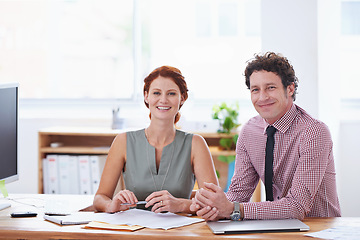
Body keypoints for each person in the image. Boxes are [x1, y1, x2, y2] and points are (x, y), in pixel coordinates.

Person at [190, 52, 341, 221]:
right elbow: (239, 192)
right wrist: (215, 207)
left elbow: (297, 207)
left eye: (270, 87)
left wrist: (233, 208)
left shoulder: (314, 132)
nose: (262, 97)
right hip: (273, 228)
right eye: (255, 90)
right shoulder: (250, 131)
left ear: (290, 89)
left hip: (319, 229)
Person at [93, 65, 219, 214]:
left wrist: (181, 205)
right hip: (134, 231)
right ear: (146, 96)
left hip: (179, 233)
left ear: (182, 98)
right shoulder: (123, 141)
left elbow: (214, 202)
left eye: (171, 93)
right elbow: (100, 197)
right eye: (156, 93)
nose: (163, 100)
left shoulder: (196, 144)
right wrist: (110, 205)